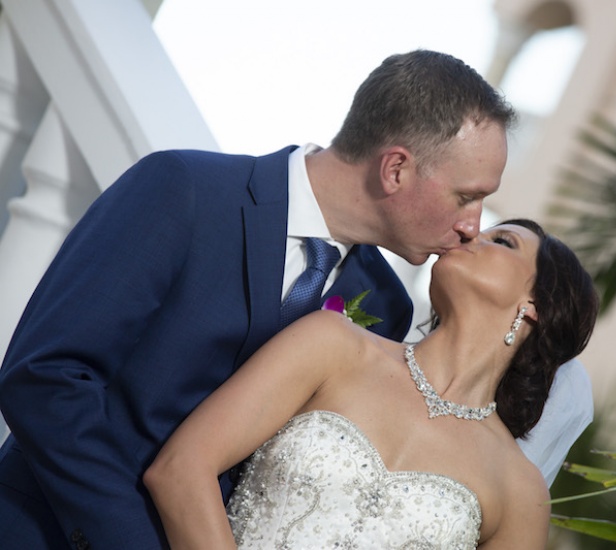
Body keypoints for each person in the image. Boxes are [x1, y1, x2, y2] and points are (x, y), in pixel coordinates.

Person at [0, 50, 515, 550]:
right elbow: (45, 378)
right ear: (396, 169)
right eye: (467, 196)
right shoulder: (186, 191)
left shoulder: (385, 307)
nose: (472, 227)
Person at [145, 219, 599, 549]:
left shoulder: (520, 491)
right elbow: (181, 470)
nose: (467, 232)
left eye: (502, 241)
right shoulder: (332, 345)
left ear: (536, 303)